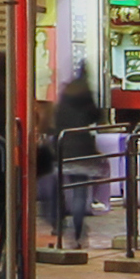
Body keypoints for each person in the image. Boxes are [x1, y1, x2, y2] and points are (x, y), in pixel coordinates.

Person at [48, 64, 107, 255]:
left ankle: (58, 224)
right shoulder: (87, 96)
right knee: (80, 192)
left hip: (63, 148)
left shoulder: (64, 98)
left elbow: (55, 123)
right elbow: (97, 117)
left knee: (59, 189)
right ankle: (78, 231)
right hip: (82, 149)